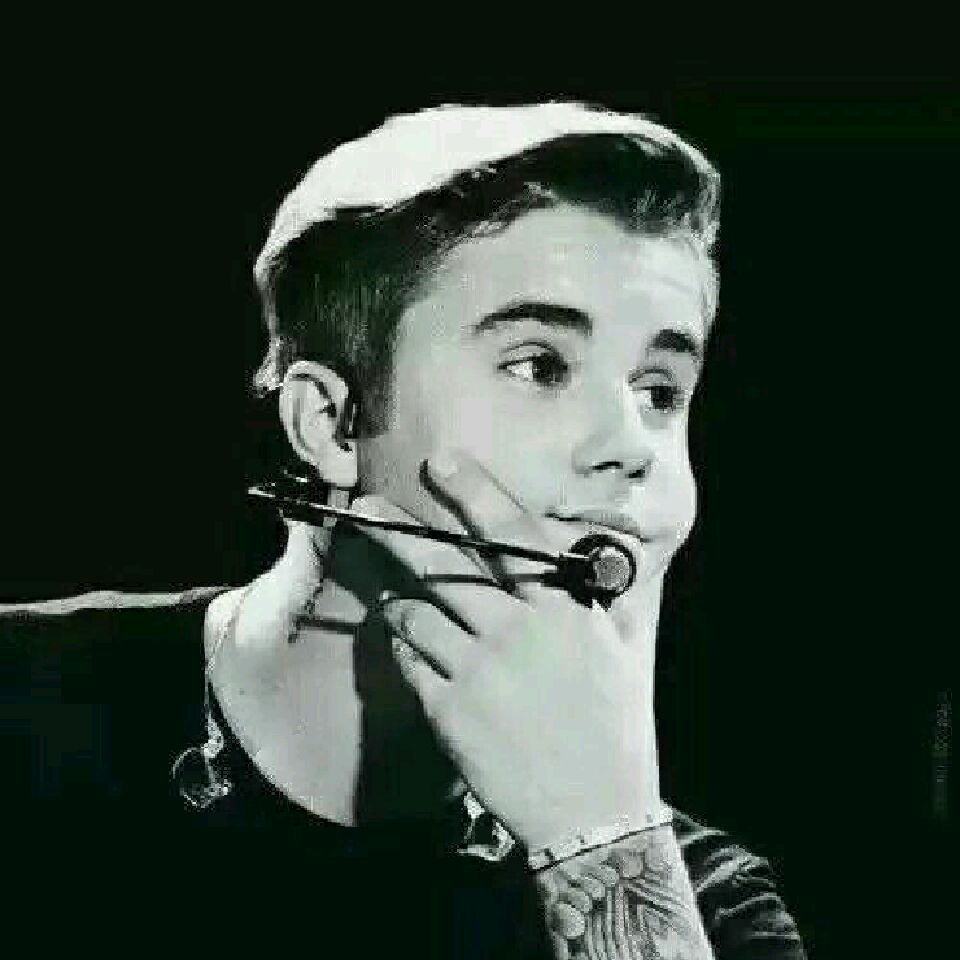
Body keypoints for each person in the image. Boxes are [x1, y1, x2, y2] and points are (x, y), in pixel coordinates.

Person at [5, 103, 807, 958]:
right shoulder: (25, 698)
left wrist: (603, 836)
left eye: (659, 391)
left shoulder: (704, 908)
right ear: (329, 423)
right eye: (539, 366)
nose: (631, 448)